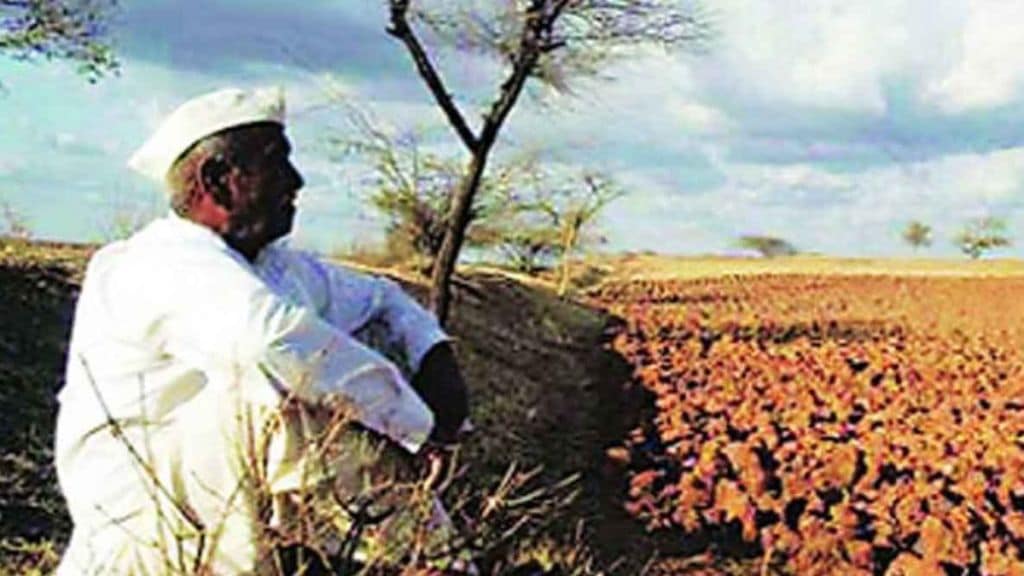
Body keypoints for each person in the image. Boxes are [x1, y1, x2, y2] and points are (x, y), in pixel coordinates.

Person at [54, 87, 471, 575]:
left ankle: (424, 556)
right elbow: (269, 344)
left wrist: (434, 356)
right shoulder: (158, 261)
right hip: (147, 528)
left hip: (229, 511)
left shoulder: (276, 268)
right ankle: (428, 557)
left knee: (346, 352)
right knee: (278, 390)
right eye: (277, 163)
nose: (296, 180)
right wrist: (416, 427)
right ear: (218, 181)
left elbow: (382, 298)